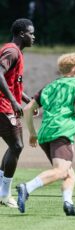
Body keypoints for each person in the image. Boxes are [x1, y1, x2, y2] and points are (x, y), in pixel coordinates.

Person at [16, 53, 75, 216]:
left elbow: (27, 109)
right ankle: (26, 187)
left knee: (69, 173)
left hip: (45, 134)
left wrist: (32, 133)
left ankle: (68, 203)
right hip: (62, 132)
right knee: (61, 171)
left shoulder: (49, 86)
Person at [0, 18, 35, 208]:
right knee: (17, 146)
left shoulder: (16, 52)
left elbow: (12, 83)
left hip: (7, 104)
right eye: (31, 33)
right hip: (2, 106)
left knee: (15, 146)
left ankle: (2, 192)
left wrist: (27, 99)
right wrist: (13, 101)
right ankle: (4, 194)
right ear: (22, 34)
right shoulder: (11, 51)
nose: (34, 36)